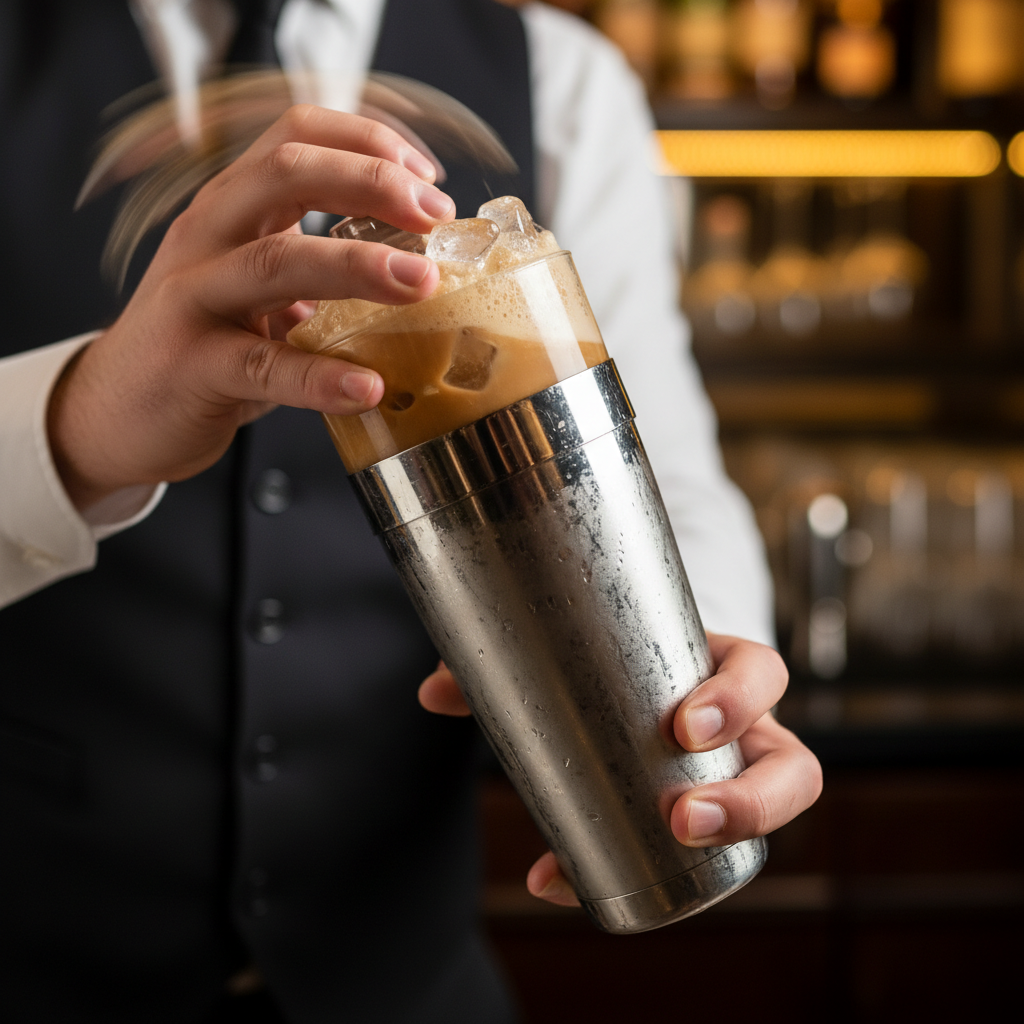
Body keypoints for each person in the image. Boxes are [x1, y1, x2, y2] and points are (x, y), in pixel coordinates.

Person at [0, 1, 822, 1021]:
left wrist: (695, 669)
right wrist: (71, 422)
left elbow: (668, 470)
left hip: (406, 976)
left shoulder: (563, 78)